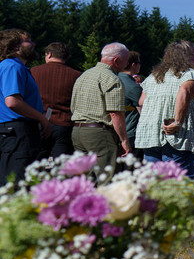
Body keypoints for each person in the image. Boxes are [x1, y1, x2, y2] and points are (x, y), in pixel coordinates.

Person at [135, 40, 194, 177]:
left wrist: (151, 119)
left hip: (150, 135)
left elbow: (141, 102)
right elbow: (184, 91)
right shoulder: (189, 75)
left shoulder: (153, 77)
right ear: (186, 56)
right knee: (177, 183)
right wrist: (177, 122)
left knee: (154, 183)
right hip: (176, 136)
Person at [71, 42, 130, 173]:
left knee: (84, 179)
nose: (126, 64)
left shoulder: (84, 75)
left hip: (77, 131)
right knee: (106, 178)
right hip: (99, 134)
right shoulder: (112, 79)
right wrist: (124, 140)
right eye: (126, 61)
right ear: (116, 60)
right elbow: (115, 113)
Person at [0, 29, 50, 182]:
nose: (33, 44)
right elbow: (13, 101)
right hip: (17, 133)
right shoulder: (12, 67)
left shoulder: (14, 67)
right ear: (16, 46)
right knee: (16, 183)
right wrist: (42, 119)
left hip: (15, 132)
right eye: (28, 41)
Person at [30, 41, 79, 159]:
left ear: (49, 54)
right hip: (64, 124)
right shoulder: (77, 75)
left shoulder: (33, 72)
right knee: (61, 166)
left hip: (39, 122)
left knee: (35, 165)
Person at [118, 50, 143, 158]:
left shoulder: (114, 80)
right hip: (131, 134)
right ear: (133, 65)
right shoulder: (133, 87)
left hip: (116, 133)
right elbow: (143, 112)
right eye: (139, 63)